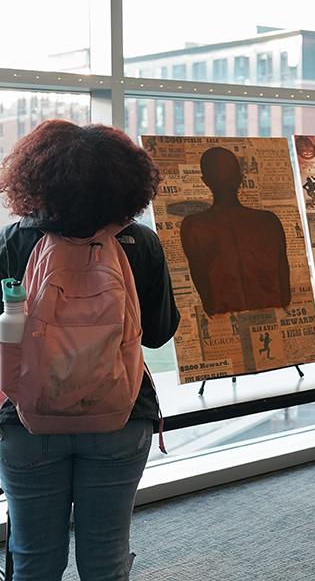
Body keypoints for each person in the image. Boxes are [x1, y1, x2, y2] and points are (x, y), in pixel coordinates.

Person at [0, 120, 180, 579]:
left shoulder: (12, 241)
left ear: (33, 180)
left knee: (35, 561)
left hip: (25, 422)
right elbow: (159, 333)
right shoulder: (140, 242)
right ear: (128, 185)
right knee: (105, 557)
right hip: (120, 416)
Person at [180, 146, 291, 316]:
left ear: (205, 181)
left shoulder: (193, 227)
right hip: (270, 311)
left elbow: (204, 288)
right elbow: (284, 290)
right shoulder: (268, 222)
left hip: (223, 315)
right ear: (240, 178)